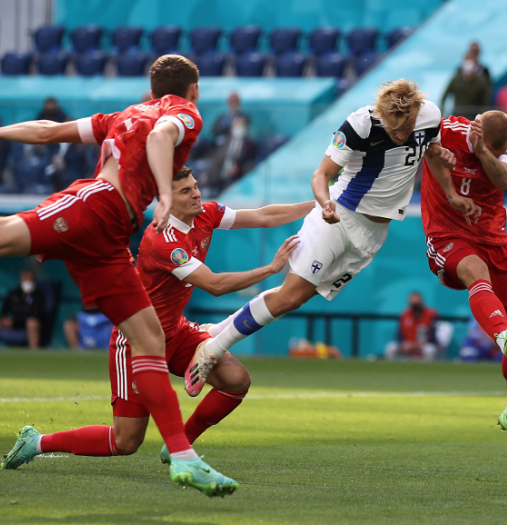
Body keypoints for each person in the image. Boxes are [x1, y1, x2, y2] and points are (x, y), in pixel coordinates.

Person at [0, 54, 237, 494]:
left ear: (151, 87)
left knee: (148, 338)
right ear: (193, 89)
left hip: (111, 235)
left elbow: (49, 132)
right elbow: (162, 137)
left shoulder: (123, 115)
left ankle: (183, 457)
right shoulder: (184, 113)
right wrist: (163, 193)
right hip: (95, 206)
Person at [184, 80, 478, 416]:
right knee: (290, 295)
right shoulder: (359, 124)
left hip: (373, 235)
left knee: (294, 298)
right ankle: (211, 349)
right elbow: (321, 175)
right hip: (339, 215)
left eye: (405, 129)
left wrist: (452, 192)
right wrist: (324, 204)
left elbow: (432, 152)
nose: (400, 136)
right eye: (394, 130)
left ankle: (213, 331)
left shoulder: (429, 116)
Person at [26, 166, 311, 469]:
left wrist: (318, 205)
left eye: (196, 186)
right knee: (126, 442)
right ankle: (38, 441)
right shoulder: (162, 239)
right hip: (137, 342)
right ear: (165, 199)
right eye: (186, 190)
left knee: (236, 381)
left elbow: (264, 216)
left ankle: (180, 446)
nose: (197, 193)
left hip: (175, 333)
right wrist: (270, 269)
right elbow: (214, 285)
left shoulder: (206, 214)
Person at [414, 109, 507, 462]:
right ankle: (502, 338)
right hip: (447, 233)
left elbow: (504, 180)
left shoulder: (504, 146)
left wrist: (482, 152)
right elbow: (426, 151)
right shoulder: (446, 127)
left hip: (493, 239)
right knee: (474, 271)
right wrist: (449, 183)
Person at [0, 270, 46, 350]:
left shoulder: (39, 296)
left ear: (34, 280)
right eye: (25, 279)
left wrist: (14, 322)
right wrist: (4, 320)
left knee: (32, 323)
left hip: (26, 325)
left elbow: (36, 315)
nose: (27, 282)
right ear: (21, 280)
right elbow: (4, 310)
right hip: (11, 324)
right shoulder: (14, 293)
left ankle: (34, 352)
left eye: (29, 279)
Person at [201, 115, 257, 192]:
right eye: (236, 125)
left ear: (246, 127)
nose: (238, 128)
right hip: (220, 177)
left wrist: (238, 169)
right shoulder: (225, 142)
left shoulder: (249, 145)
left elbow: (250, 164)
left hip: (236, 179)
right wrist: (207, 173)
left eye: (241, 125)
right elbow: (217, 159)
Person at [384, 292, 440, 361]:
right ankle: (390, 369)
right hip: (407, 345)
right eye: (413, 303)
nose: (415, 306)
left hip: (423, 345)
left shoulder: (430, 314)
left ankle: (428, 370)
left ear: (421, 302)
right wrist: (403, 343)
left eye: (417, 303)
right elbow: (399, 335)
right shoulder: (405, 314)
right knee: (391, 347)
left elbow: (434, 336)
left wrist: (418, 345)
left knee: (430, 349)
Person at [442, 54, 492, 121]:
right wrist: (442, 113)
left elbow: (485, 102)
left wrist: (483, 118)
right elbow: (445, 96)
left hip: (474, 119)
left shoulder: (481, 82)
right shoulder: (455, 80)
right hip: (457, 117)